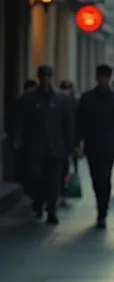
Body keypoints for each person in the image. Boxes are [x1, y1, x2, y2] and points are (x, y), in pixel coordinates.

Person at [14, 65, 73, 224]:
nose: (45, 79)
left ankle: (52, 210)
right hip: (34, 148)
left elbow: (67, 123)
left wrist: (70, 144)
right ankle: (38, 201)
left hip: (55, 148)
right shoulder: (29, 98)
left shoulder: (61, 99)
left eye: (47, 76)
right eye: (43, 76)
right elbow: (20, 120)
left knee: (54, 181)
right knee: (35, 177)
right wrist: (18, 139)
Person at [75, 65, 114, 229]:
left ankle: (102, 211)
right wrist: (77, 142)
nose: (103, 80)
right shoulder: (87, 98)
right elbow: (79, 122)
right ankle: (101, 205)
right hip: (92, 145)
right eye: (101, 77)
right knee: (95, 178)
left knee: (104, 178)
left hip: (109, 146)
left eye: (106, 77)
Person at [59, 80, 79, 207]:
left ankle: (65, 191)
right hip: (60, 142)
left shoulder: (75, 103)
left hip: (70, 142)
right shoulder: (59, 102)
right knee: (62, 169)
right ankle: (62, 191)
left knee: (69, 169)